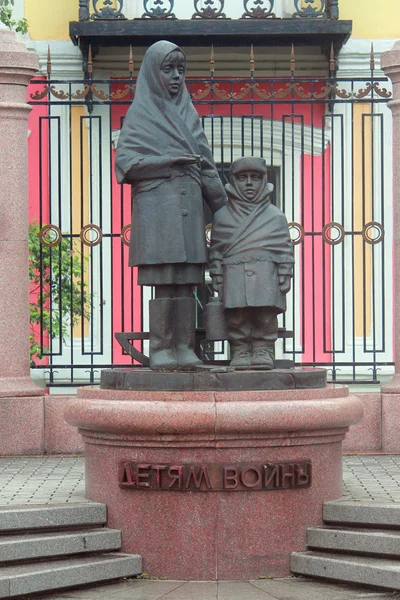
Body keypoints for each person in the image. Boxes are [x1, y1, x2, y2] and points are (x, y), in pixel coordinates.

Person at [115, 40, 227, 370]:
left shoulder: (189, 114)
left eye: (181, 70)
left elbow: (205, 163)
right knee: (164, 284)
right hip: (158, 211)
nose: (176, 77)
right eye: (168, 69)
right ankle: (163, 348)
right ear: (152, 73)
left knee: (188, 282)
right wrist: (169, 162)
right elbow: (126, 164)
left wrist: (223, 205)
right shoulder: (140, 114)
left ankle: (185, 347)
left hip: (189, 209)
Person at [209, 157, 294, 369]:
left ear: (264, 180)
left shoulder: (276, 216)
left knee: (265, 316)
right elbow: (217, 250)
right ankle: (240, 349)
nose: (249, 183)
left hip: (266, 274)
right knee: (237, 317)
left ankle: (263, 349)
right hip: (234, 274)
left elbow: (284, 247)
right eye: (243, 177)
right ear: (233, 181)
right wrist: (217, 275)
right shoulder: (222, 217)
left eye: (255, 178)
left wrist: (285, 272)